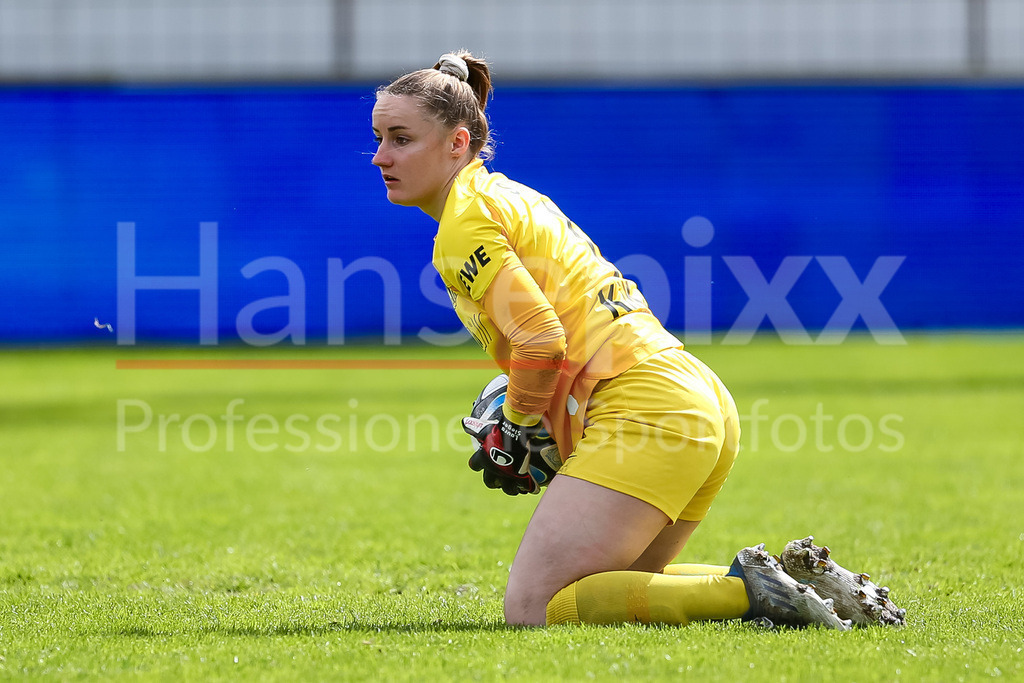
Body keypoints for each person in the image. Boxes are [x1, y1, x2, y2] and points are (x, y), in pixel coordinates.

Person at [370, 51, 903, 630]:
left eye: (400, 139)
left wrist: (518, 426)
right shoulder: (507, 195)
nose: (380, 157)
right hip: (693, 397)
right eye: (378, 138)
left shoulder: (464, 221)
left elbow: (541, 341)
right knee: (603, 590)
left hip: (648, 408)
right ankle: (796, 584)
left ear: (457, 142)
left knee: (537, 607)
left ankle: (756, 597)